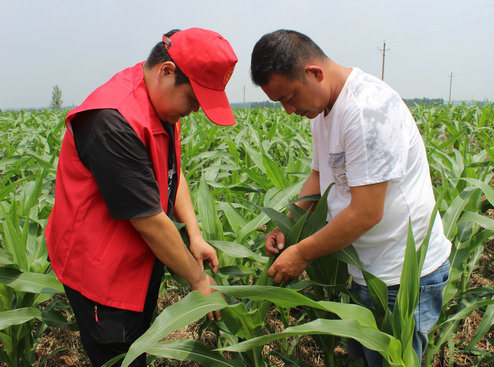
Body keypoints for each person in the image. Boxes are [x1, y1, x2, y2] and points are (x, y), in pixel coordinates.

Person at [250, 29, 451, 366]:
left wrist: (301, 252)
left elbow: (365, 213)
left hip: (401, 277)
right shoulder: (322, 107)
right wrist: (292, 224)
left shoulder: (365, 110)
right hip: (366, 270)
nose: (287, 110)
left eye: (288, 97)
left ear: (314, 73)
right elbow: (319, 175)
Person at [46, 28, 238, 366]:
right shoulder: (111, 120)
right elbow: (149, 221)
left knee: (138, 342)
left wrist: (194, 233)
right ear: (167, 71)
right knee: (120, 354)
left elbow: (170, 173)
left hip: (138, 262)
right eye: (193, 100)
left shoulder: (161, 103)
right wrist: (197, 278)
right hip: (102, 277)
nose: (193, 110)